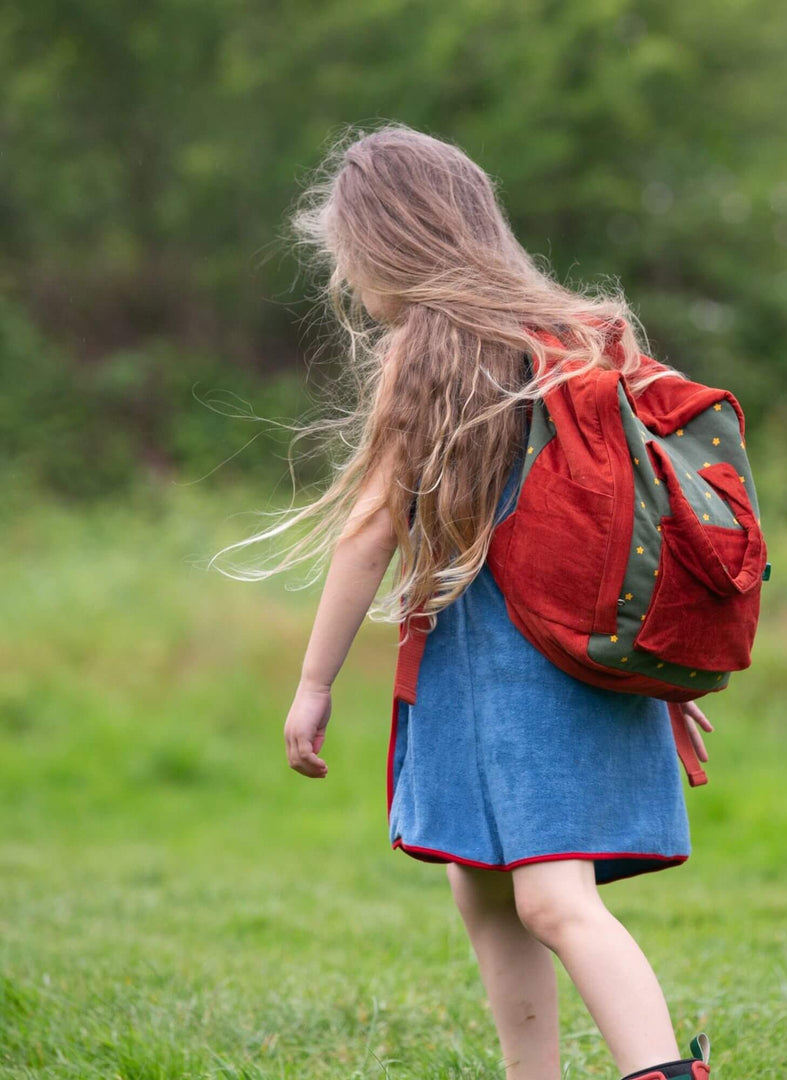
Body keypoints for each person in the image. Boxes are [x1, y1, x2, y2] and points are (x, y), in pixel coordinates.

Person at [214, 121, 714, 1080]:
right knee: (482, 886)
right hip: (577, 660)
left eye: (347, 254)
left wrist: (313, 684)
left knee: (553, 900)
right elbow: (635, 524)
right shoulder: (578, 332)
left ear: (383, 241)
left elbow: (370, 532)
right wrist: (662, 669)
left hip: (518, 669)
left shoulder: (432, 345)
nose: (349, 279)